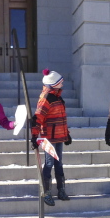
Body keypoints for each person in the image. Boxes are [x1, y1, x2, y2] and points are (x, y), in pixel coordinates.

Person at [32, 69, 72, 206]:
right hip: (48, 137)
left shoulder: (58, 97)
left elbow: (62, 118)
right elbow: (37, 118)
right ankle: (46, 191)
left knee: (59, 163)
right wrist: (34, 135)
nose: (63, 83)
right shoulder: (46, 98)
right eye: (60, 82)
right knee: (49, 163)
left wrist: (67, 134)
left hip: (59, 136)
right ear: (54, 84)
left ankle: (61, 189)